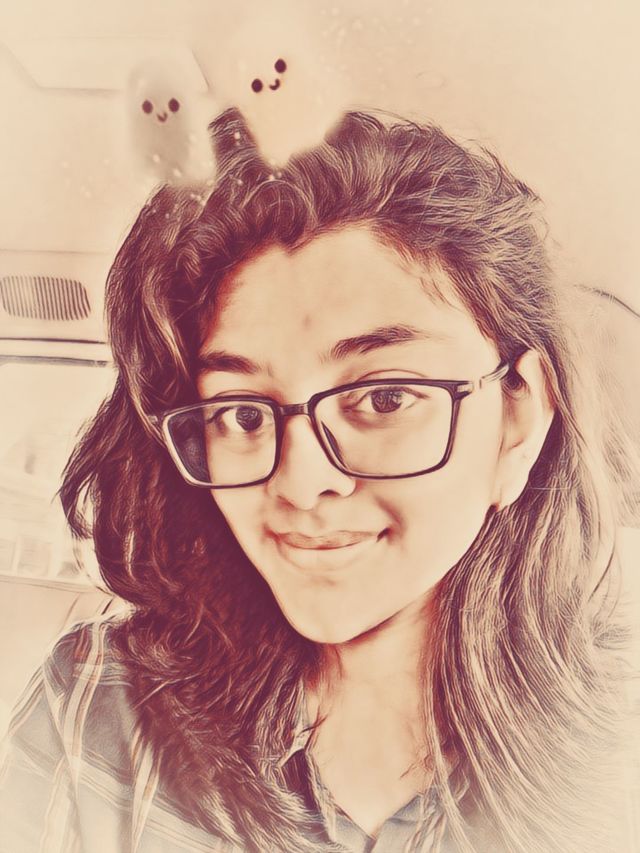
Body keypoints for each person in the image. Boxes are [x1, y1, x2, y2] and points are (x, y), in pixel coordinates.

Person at [1, 107, 637, 853]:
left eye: (385, 398)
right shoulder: (93, 708)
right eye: (241, 413)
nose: (301, 485)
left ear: (519, 417)